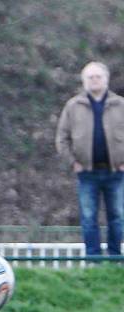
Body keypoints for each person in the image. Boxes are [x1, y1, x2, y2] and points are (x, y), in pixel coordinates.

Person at [56, 61, 124, 256]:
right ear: (84, 81)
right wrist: (72, 162)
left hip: (115, 172)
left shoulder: (120, 105)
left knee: (117, 217)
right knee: (88, 217)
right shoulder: (73, 106)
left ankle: (114, 257)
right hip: (86, 173)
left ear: (106, 79)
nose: (94, 80)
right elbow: (62, 138)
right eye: (90, 77)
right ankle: (92, 259)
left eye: (98, 77)